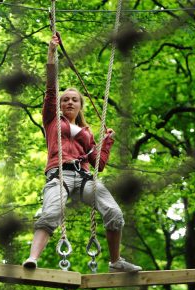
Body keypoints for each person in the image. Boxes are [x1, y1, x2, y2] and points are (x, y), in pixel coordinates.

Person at [23, 35, 142, 273]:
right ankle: (32, 258)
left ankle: (115, 261)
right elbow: (50, 88)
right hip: (60, 175)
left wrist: (106, 142)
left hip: (85, 178)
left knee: (114, 212)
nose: (69, 102)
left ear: (80, 105)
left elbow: (98, 165)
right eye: (65, 99)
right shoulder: (52, 121)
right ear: (59, 104)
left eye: (74, 100)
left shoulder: (86, 133)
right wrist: (51, 54)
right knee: (51, 213)